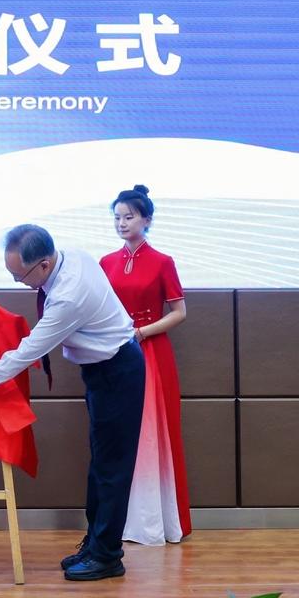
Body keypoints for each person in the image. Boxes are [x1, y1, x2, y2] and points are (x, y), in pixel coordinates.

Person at [0, 224, 144, 582]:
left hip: (118, 371)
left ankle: (107, 556)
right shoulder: (72, 258)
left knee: (112, 467)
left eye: (19, 276)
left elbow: (31, 349)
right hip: (104, 370)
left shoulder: (68, 295)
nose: (18, 282)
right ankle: (95, 544)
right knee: (100, 463)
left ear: (43, 264)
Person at [100, 185, 190, 546]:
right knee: (118, 432)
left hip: (150, 351)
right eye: (117, 217)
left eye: (129, 217)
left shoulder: (162, 261)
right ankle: (117, 522)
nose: (122, 223)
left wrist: (142, 332)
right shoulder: (105, 262)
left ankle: (154, 521)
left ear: (147, 220)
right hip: (113, 351)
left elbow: (180, 312)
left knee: (151, 432)